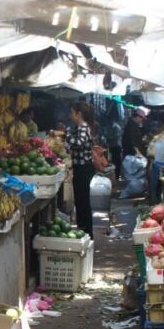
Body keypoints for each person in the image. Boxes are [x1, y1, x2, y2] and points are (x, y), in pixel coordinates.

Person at [66, 101, 96, 237]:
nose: (71, 116)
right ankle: (84, 230)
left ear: (79, 114)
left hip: (83, 169)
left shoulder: (83, 126)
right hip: (81, 168)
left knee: (83, 202)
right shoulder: (79, 127)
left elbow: (79, 143)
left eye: (72, 113)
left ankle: (86, 232)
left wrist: (65, 136)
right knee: (81, 201)